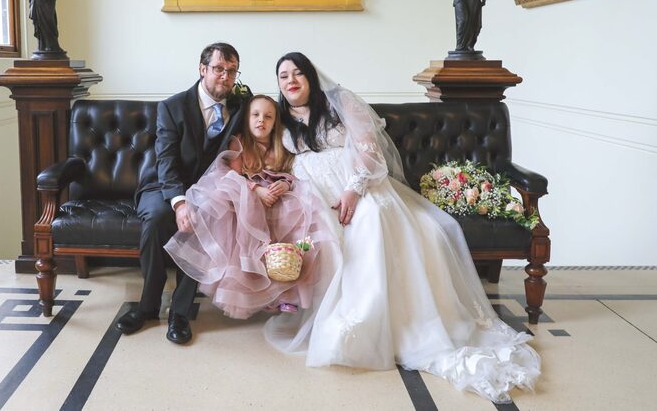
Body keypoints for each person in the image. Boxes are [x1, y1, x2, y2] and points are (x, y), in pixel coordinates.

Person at [263, 52, 540, 403]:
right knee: (325, 235)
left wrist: (353, 190)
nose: (291, 80)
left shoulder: (339, 102)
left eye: (298, 73)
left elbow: (370, 153)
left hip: (361, 186)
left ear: (311, 77)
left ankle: (385, 323)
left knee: (372, 221)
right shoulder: (280, 117)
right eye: (283, 76)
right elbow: (271, 157)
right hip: (316, 198)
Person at [116, 43, 248, 344]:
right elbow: (166, 160)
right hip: (164, 184)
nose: (225, 77)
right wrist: (179, 203)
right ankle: (147, 306)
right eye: (218, 69)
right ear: (202, 69)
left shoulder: (240, 106)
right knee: (155, 220)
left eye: (231, 72)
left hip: (207, 188)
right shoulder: (171, 107)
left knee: (206, 219)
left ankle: (180, 312)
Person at [164, 95, 337, 319]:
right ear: (247, 118)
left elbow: (291, 174)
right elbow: (232, 176)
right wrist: (256, 190)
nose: (261, 120)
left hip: (277, 196)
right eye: (255, 115)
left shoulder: (281, 144)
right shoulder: (240, 142)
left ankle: (286, 293)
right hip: (247, 194)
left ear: (275, 122)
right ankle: (258, 292)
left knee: (296, 216)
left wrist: (284, 185)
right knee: (248, 223)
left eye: (268, 117)